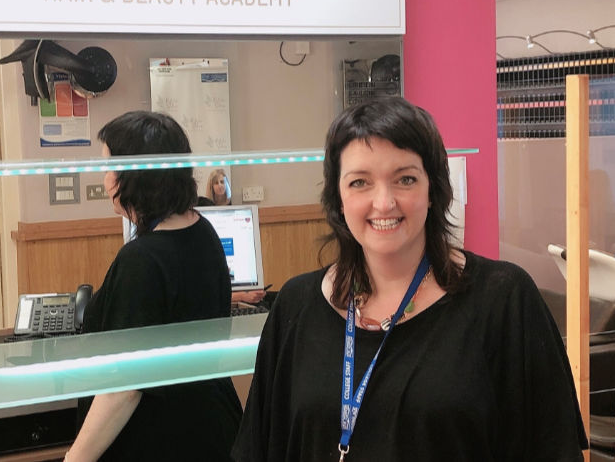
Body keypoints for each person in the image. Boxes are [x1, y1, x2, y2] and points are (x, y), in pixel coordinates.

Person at [233, 96, 588, 462]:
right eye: (360, 182)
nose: (384, 202)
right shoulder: (296, 306)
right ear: (338, 197)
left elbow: (554, 449)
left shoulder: (504, 300)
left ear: (432, 189)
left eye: (405, 179)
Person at [66, 111, 242, 462]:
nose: (105, 180)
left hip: (161, 440)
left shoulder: (141, 260)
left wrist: (75, 458)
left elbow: (125, 388)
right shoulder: (203, 231)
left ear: (135, 177)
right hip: (211, 427)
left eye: (109, 168)